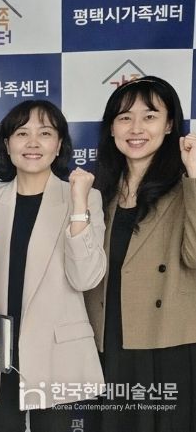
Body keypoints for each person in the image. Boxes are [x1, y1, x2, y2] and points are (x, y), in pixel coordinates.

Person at [0, 100, 105, 431]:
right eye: (22, 133)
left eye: (45, 133)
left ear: (59, 145)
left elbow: (85, 278)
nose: (33, 143)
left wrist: (78, 205)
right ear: (7, 144)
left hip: (57, 353)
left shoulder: (86, 198)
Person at [84, 76, 196, 431]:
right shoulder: (98, 192)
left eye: (149, 116)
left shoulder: (185, 186)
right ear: (111, 128)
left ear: (169, 125)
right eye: (124, 117)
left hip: (166, 341)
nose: (136, 128)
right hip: (107, 340)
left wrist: (195, 177)